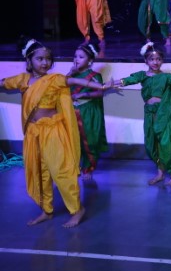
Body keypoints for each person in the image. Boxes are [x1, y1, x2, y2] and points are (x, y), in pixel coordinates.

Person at [0, 39, 111, 227]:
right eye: (40, 59)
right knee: (40, 171)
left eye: (48, 59)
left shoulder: (54, 79)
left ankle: (77, 209)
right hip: (33, 133)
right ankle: (46, 210)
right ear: (29, 60)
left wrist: (101, 86)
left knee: (61, 171)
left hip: (53, 130)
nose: (45, 63)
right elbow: (4, 83)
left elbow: (74, 80)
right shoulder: (23, 80)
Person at [110, 42, 171, 186]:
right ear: (146, 60)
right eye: (152, 59)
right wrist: (109, 84)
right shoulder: (142, 76)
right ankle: (160, 173)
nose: (155, 62)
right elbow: (127, 80)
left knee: (167, 142)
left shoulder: (166, 77)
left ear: (162, 60)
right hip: (150, 114)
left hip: (164, 114)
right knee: (152, 143)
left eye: (158, 59)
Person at [68, 43, 107, 179]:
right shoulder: (71, 75)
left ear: (89, 60)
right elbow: (62, 86)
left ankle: (88, 168)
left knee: (89, 140)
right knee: (73, 140)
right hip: (72, 111)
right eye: (75, 56)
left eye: (81, 57)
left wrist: (83, 95)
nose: (76, 59)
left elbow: (99, 93)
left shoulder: (94, 75)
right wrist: (70, 73)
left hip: (88, 112)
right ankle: (75, 166)